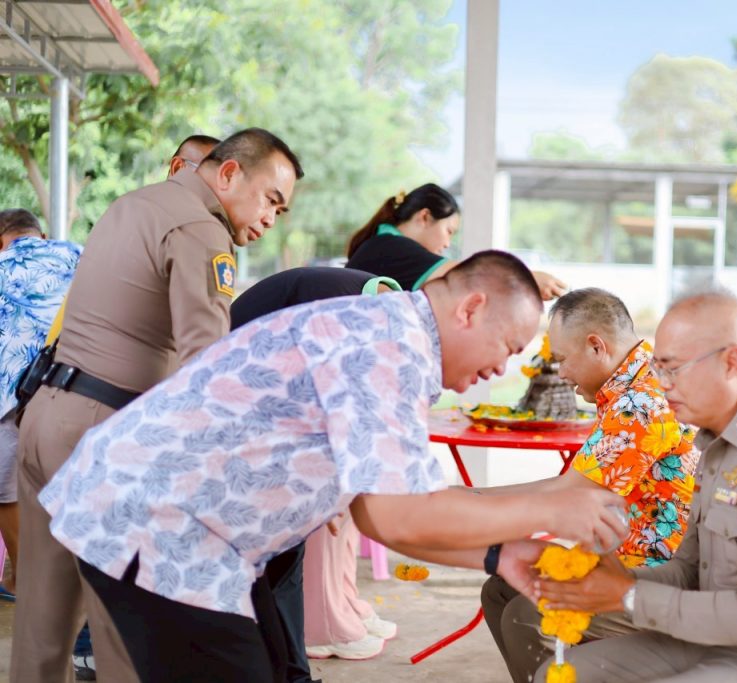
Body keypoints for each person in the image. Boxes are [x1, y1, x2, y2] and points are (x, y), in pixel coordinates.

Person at [38, 252, 627, 683]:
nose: (501, 370)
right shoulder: (389, 345)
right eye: (508, 347)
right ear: (472, 309)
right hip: (158, 522)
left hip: (198, 531)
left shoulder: (397, 338)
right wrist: (551, 508)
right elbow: (401, 516)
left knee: (275, 665)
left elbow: (378, 514)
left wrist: (499, 555)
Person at [12, 128, 303, 683]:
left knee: (41, 635)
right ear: (229, 173)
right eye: (271, 200)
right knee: (128, 644)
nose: (271, 219)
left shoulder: (134, 203)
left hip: (47, 415)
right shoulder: (201, 230)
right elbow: (204, 370)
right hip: (103, 440)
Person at [526, 289, 737, 682]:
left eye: (672, 369)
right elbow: (689, 572)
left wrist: (628, 596)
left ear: (731, 362)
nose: (661, 384)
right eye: (657, 368)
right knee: (559, 674)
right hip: (719, 641)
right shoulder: (717, 447)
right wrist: (613, 580)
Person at [479, 287, 700, 679]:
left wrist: (468, 504)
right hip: (632, 559)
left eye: (562, 359)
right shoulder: (633, 385)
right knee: (502, 589)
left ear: (597, 346)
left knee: (527, 618)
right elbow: (573, 486)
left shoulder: (641, 403)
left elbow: (571, 495)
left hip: (666, 578)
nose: (561, 373)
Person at [230, 267, 401, 680]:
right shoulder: (357, 312)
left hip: (270, 416)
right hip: (245, 416)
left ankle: (292, 672)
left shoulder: (380, 307)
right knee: (272, 564)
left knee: (283, 563)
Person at [0, 209, 82, 603]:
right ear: (42, 235)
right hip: (77, 387)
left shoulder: (3, 264)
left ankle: (24, 580)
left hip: (10, 395)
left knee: (6, 489)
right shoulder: (80, 254)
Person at [345, 183, 569, 299]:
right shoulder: (393, 248)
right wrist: (527, 277)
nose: (447, 243)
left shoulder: (381, 243)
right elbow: (468, 274)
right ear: (425, 217)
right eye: (449, 231)